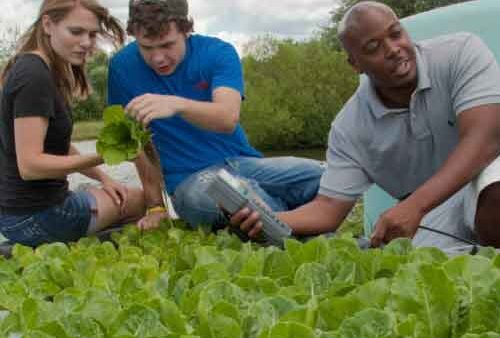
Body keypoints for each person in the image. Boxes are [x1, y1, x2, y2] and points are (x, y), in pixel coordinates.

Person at [231, 1, 500, 249]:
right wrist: (266, 219)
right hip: (432, 214)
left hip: (483, 181)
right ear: (355, 64)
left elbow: (485, 139)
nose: (393, 49)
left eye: (396, 34)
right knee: (415, 264)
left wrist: (414, 205)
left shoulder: (460, 52)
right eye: (374, 48)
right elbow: (327, 209)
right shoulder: (349, 128)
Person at [108, 0, 324, 231]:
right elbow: (136, 144)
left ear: (186, 30)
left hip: (244, 163)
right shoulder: (121, 67)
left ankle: (276, 217)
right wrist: (156, 207)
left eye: (167, 45)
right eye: (147, 48)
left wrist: (177, 105)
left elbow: (227, 119)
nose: (158, 58)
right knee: (225, 199)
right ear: (134, 35)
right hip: (190, 181)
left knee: (327, 176)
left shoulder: (218, 52)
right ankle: (290, 222)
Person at [0, 0, 147, 247]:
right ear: (48, 25)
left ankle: (86, 235)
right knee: (139, 200)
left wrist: (104, 178)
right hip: (39, 217)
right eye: (76, 32)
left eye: (91, 34)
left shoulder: (36, 68)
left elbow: (58, 145)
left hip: (17, 215)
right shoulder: (34, 76)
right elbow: (31, 166)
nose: (87, 43)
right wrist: (102, 156)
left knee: (115, 191)